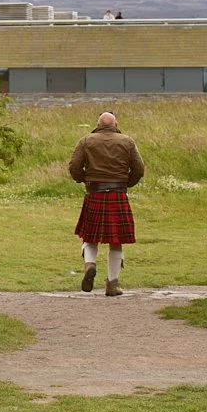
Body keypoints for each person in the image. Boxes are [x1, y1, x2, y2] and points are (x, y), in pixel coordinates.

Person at [67, 110, 144, 295]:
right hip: (117, 194)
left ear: (98, 124)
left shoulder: (86, 140)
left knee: (90, 237)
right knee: (116, 241)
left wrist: (84, 180)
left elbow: (74, 166)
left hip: (95, 193)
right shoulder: (127, 141)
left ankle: (89, 265)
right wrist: (126, 183)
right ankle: (112, 284)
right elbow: (139, 169)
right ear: (115, 124)